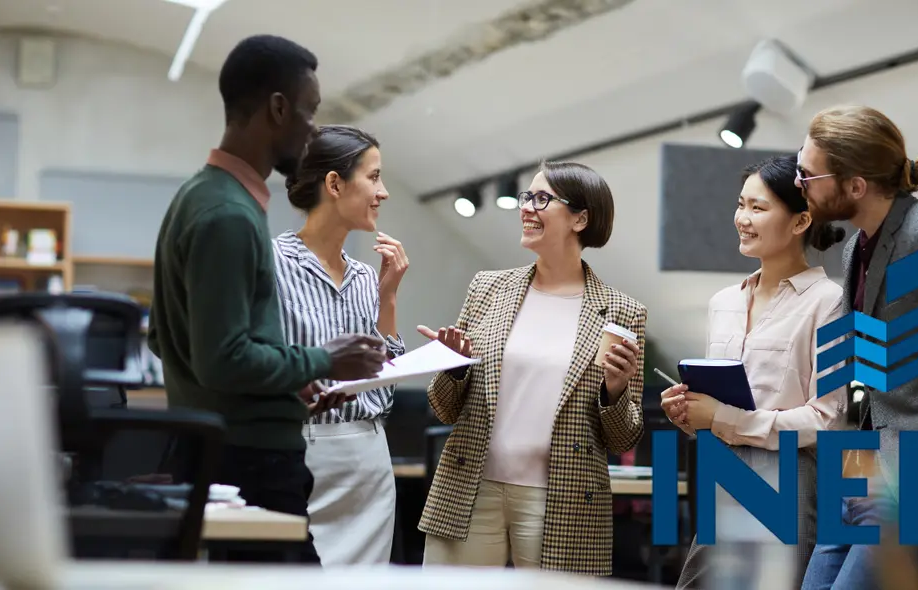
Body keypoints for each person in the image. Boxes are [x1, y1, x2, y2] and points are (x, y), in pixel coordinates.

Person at [147, 35, 386, 564]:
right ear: (278, 108)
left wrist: (288, 382)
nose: (313, 130)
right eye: (310, 112)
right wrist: (325, 359)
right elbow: (223, 357)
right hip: (249, 463)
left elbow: (164, 337)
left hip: (227, 452)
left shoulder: (200, 196)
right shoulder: (229, 215)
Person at [796, 105, 918, 589]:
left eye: (809, 174)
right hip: (860, 467)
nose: (799, 182)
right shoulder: (854, 248)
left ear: (855, 185)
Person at [416, 161, 646, 576]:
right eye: (527, 196)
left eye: (542, 199)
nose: (527, 208)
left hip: (562, 499)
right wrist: (452, 368)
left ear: (581, 218)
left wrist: (615, 390)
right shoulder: (487, 288)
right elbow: (444, 409)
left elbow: (622, 437)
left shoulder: (623, 312)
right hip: (470, 487)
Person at [660, 155, 848, 589]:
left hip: (788, 478)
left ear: (801, 221)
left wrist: (723, 418)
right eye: (741, 204)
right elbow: (722, 405)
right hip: (723, 472)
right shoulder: (722, 302)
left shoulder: (829, 303)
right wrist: (690, 413)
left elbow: (827, 419)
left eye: (758, 208)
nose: (742, 219)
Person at [272, 124, 408, 565]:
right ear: (334, 184)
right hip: (300, 457)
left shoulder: (368, 277)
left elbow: (383, 393)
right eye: (374, 177)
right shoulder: (271, 264)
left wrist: (388, 298)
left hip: (368, 464)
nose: (383, 192)